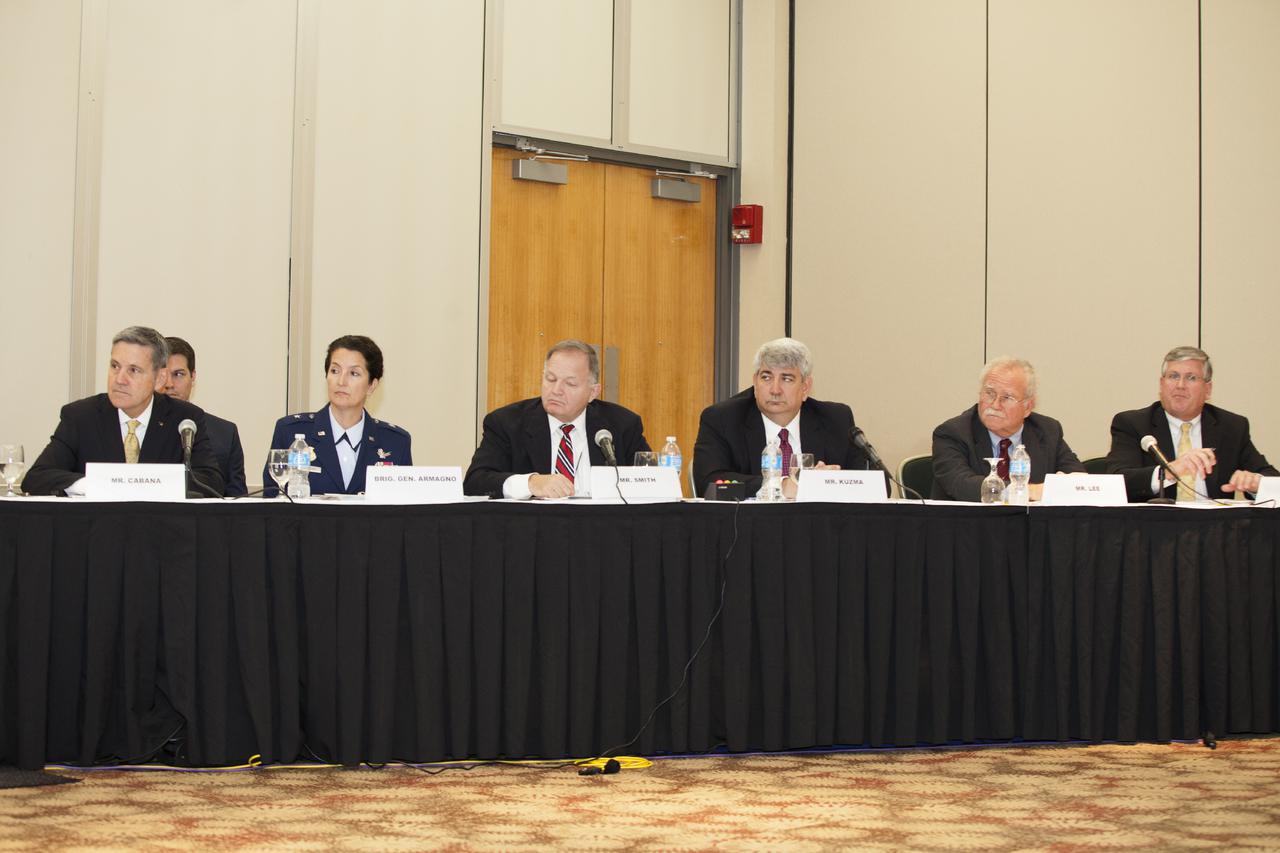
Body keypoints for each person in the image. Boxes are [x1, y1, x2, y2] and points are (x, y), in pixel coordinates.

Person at [24, 326, 225, 497]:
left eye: (133, 370)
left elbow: (211, 482)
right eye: (115, 366)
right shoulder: (81, 416)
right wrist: (92, 485)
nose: (119, 379)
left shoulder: (184, 418)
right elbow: (37, 477)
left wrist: (138, 484)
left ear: (160, 379)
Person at [464, 340, 650, 498]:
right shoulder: (507, 423)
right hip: (533, 534)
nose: (556, 390)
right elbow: (474, 483)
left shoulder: (623, 425)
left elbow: (653, 484)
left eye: (570, 383)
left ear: (593, 392)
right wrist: (531, 483)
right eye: (550, 379)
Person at [692, 337, 873, 497]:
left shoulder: (836, 419)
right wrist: (781, 485)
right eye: (766, 377)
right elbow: (709, 483)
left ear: (805, 387)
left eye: (787, 379)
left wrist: (831, 482)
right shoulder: (722, 419)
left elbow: (877, 485)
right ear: (755, 382)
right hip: (750, 529)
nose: (775, 390)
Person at [1104, 345, 1277, 502]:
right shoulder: (1133, 424)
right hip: (1156, 528)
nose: (1180, 385)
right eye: (1173, 376)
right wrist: (1169, 471)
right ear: (1161, 384)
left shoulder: (1231, 427)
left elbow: (1271, 478)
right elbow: (1116, 481)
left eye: (1191, 378)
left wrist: (1256, 483)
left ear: (1208, 389)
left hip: (1216, 529)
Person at [263, 335, 411, 496]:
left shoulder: (395, 443)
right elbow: (272, 508)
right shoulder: (290, 432)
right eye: (335, 371)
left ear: (371, 386)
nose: (341, 381)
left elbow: (403, 514)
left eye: (354, 373)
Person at [931, 356, 1085, 501]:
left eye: (1007, 398)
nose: (995, 405)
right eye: (989, 393)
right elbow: (962, 485)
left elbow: (1078, 480)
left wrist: (1062, 487)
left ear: (1027, 407)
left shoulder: (1047, 431)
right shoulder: (953, 433)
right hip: (970, 526)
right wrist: (1027, 491)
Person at [162, 336, 247, 497]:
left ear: (193, 377)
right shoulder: (138, 427)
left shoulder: (226, 434)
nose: (169, 384)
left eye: (178, 374)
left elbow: (237, 504)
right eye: (163, 375)